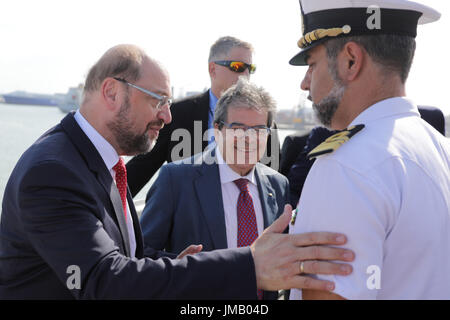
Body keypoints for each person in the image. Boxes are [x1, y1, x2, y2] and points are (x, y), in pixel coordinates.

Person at [0, 44, 355, 299]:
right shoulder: (54, 171)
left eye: (168, 103)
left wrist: (175, 266)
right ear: (111, 92)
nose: (167, 117)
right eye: (157, 100)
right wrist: (248, 264)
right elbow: (102, 282)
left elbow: (130, 258)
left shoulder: (94, 162)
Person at [288, 0, 450, 300]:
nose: (304, 83)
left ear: (350, 60)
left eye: (312, 65)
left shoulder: (346, 167)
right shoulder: (441, 149)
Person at [140, 78, 288, 300]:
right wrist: (179, 266)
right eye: (238, 129)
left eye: (259, 129)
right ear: (217, 130)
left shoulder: (277, 185)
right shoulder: (176, 179)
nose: (248, 139)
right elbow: (140, 256)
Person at [125, 36, 280, 197]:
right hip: (188, 217)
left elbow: (273, 184)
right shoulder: (178, 113)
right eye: (238, 67)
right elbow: (140, 169)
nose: (246, 74)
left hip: (244, 217)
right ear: (212, 69)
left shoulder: (266, 123)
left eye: (251, 68)